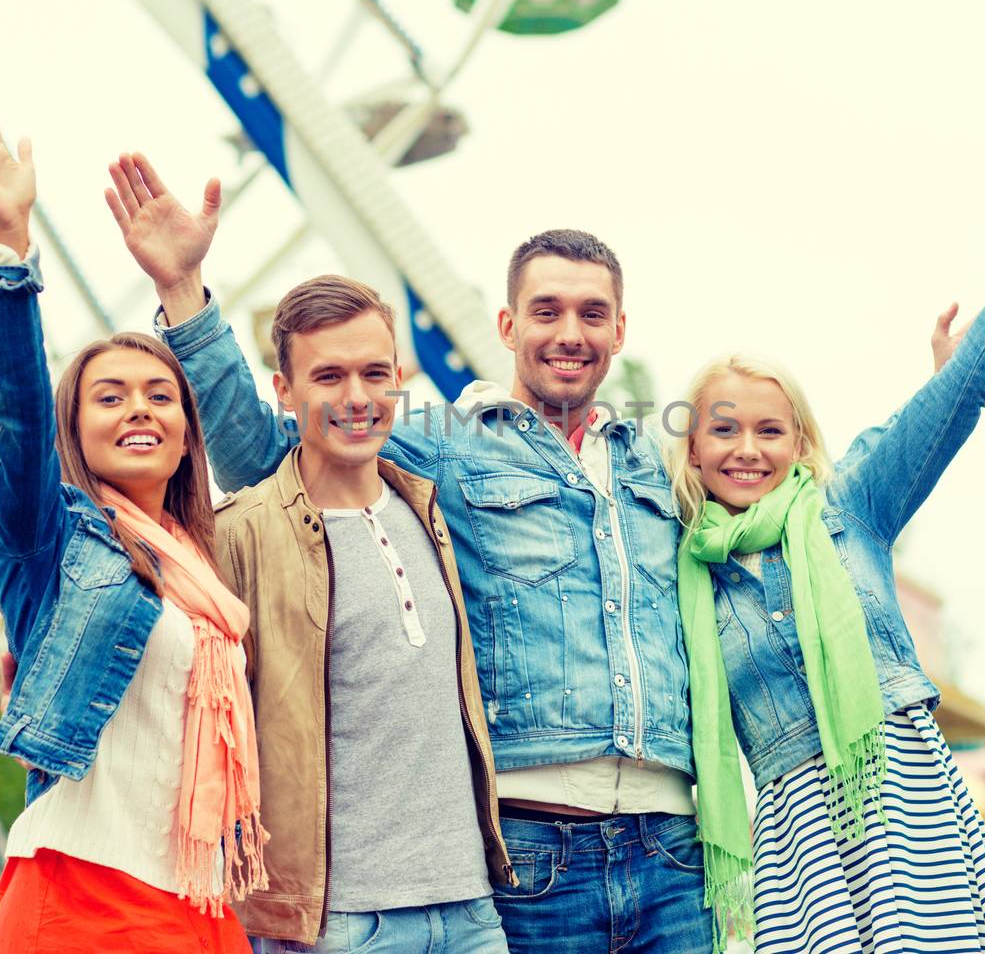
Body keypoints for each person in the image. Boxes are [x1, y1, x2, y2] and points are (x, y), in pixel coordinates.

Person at [106, 149, 718, 952]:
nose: (569, 333)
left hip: (673, 848)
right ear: (507, 326)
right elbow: (267, 454)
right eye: (546, 312)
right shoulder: (443, 448)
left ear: (619, 331)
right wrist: (184, 295)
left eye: (592, 314)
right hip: (535, 848)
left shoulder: (657, 464)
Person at [663, 150, 985, 953]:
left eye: (770, 429)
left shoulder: (850, 504)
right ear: (691, 449)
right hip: (799, 851)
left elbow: (962, 388)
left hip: (908, 811)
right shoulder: (679, 569)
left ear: (801, 443)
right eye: (723, 430)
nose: (746, 450)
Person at [0, 95, 265, 953]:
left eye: (161, 396)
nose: (139, 411)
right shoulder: (49, 543)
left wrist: (182, 288)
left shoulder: (209, 566)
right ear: (74, 427)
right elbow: (15, 422)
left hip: (199, 897)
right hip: (82, 889)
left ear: (189, 430)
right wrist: (10, 243)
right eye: (108, 397)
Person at [167, 269, 513, 951]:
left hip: (471, 909)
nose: (356, 398)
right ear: (284, 393)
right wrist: (180, 289)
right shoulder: (240, 534)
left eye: (374, 373)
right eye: (328, 378)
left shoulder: (432, 507)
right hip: (338, 925)